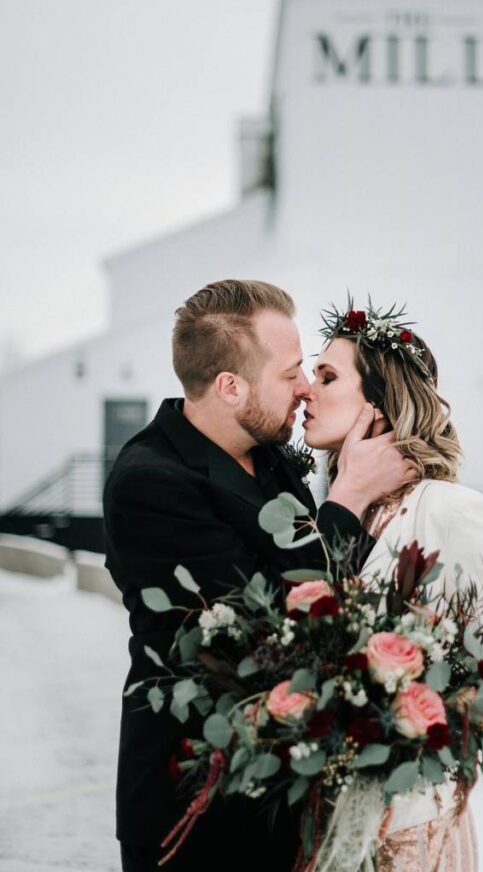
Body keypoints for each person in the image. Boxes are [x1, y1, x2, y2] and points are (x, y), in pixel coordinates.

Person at [103, 280, 415, 872]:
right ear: (231, 387)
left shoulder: (268, 452)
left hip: (290, 798)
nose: (304, 388)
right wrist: (348, 498)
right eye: (291, 372)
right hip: (194, 809)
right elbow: (265, 626)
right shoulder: (150, 483)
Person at [302, 301, 483, 872]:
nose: (306, 391)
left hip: (410, 831)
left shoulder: (448, 510)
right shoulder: (331, 513)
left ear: (379, 404)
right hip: (325, 818)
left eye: (327, 377)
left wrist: (409, 732)